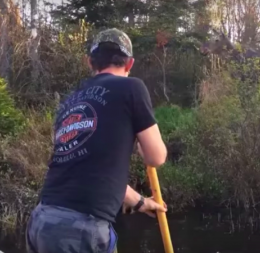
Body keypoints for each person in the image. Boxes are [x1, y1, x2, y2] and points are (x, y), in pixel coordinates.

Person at [26, 28, 168, 253]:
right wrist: (142, 144)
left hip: (42, 221)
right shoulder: (132, 87)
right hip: (83, 230)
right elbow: (156, 157)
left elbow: (95, 174)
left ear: (90, 62)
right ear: (130, 64)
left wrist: (141, 203)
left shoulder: (69, 102)